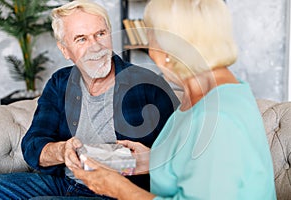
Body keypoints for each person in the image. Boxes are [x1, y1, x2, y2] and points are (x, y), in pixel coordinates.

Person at [72, 0, 277, 199]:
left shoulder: (218, 118)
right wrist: (153, 160)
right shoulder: (208, 92)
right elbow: (207, 165)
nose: (151, 52)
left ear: (168, 50)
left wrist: (118, 189)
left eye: (150, 37)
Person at [0, 0, 179, 199]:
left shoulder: (148, 85)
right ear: (65, 50)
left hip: (116, 191)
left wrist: (148, 159)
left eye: (100, 34)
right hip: (64, 181)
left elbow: (181, 152)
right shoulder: (59, 83)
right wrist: (61, 150)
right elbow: (33, 144)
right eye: (81, 39)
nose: (95, 47)